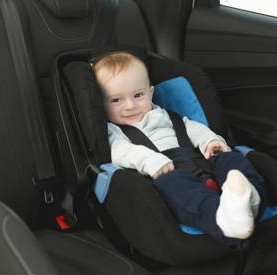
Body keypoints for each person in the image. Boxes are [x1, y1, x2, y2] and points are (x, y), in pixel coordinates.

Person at [92, 51, 267, 245]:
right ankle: (224, 221)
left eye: (138, 95)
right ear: (101, 104)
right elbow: (119, 151)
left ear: (151, 92)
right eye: (116, 100)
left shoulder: (167, 115)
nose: (130, 105)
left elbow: (193, 129)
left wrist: (210, 142)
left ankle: (249, 197)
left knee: (231, 159)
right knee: (174, 184)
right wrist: (149, 160)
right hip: (163, 175)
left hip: (201, 164)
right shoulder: (113, 130)